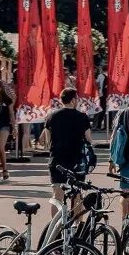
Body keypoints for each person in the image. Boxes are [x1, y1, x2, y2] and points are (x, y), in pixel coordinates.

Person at [45, 88, 93, 217]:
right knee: (77, 195)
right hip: (76, 159)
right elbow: (89, 138)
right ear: (73, 100)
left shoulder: (51, 116)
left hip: (57, 159)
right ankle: (77, 226)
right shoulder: (82, 117)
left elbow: (47, 140)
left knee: (57, 195)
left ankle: (55, 228)